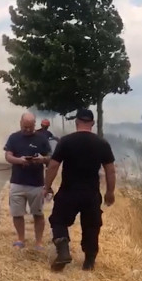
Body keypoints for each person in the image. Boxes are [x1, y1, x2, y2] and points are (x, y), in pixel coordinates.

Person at [43, 108, 116, 272]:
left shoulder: (66, 141)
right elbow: (110, 170)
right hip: (91, 194)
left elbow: (54, 165)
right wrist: (110, 192)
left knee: (58, 220)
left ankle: (63, 251)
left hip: (69, 191)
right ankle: (89, 262)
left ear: (76, 122)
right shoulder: (102, 143)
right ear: (93, 123)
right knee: (91, 227)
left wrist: (47, 186)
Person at [3, 112, 52, 249]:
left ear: (35, 125)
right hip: (17, 182)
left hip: (36, 183)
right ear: (20, 123)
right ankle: (20, 239)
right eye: (25, 127)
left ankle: (39, 242)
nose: (28, 130)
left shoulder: (42, 138)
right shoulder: (13, 138)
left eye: (30, 127)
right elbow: (8, 156)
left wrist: (41, 160)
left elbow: (50, 157)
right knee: (17, 213)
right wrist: (19, 161)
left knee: (38, 213)